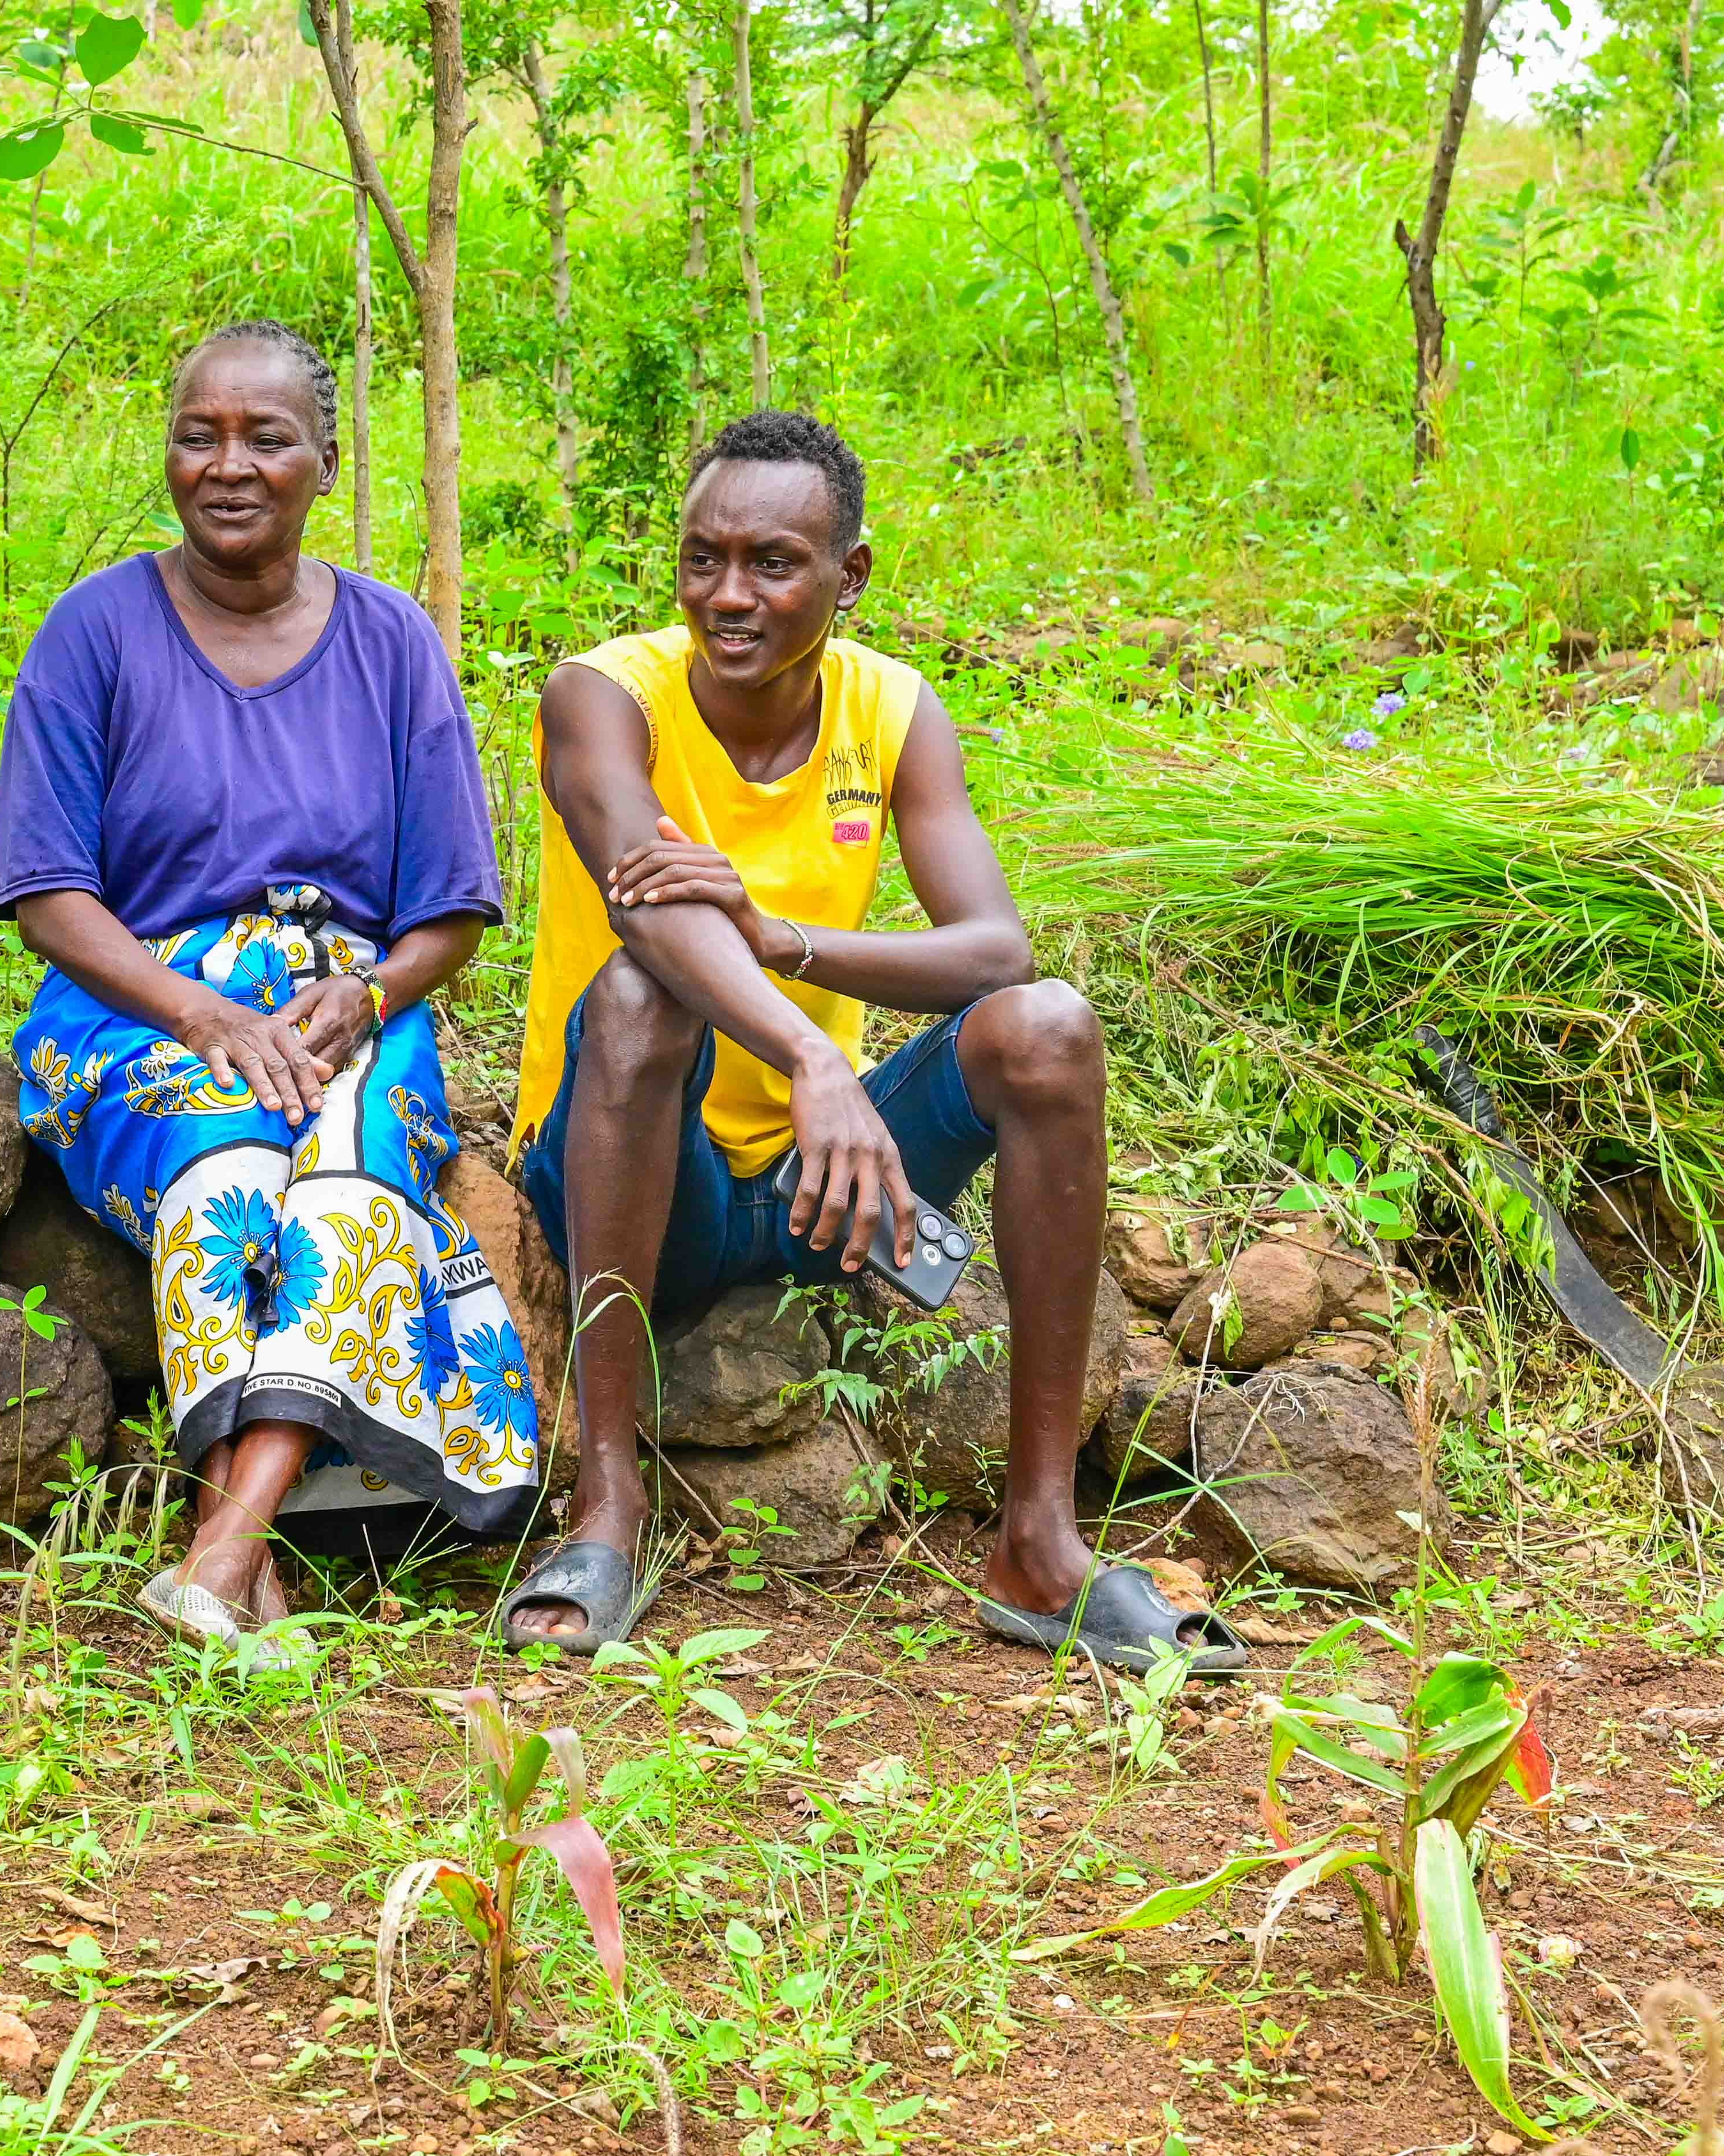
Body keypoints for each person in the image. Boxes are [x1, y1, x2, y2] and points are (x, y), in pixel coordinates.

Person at [507, 408, 1246, 1672]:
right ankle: (611, 1508)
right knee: (642, 996)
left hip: (814, 1181)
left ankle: (1039, 1540)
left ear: (851, 574)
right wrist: (813, 1055)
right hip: (631, 1177)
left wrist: (785, 940)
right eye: (703, 558)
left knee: (1049, 1028)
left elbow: (994, 951)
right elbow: (647, 903)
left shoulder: (892, 710)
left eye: (773, 564)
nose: (727, 595)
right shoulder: (602, 697)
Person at [0, 321, 542, 1670]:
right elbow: (51, 895)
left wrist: (365, 994)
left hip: (346, 997)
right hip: (137, 1003)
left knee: (350, 1181)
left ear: (326, 462)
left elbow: (452, 907)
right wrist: (202, 1012)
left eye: (267, 437)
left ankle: (225, 1546)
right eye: (200, 434)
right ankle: (248, 1552)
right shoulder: (95, 630)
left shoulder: (393, 642)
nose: (228, 465)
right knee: (223, 1159)